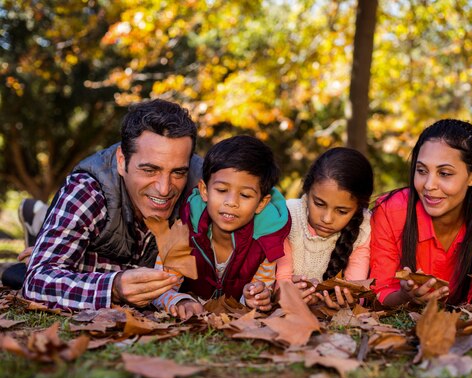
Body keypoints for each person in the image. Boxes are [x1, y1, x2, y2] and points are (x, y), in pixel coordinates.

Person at [21, 99, 203, 310]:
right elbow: (37, 281)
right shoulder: (87, 189)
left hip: (101, 249)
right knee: (29, 267)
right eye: (149, 170)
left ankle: (42, 230)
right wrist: (114, 287)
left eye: (178, 172)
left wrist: (88, 265)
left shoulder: (204, 191)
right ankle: (42, 225)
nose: (164, 189)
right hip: (88, 220)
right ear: (121, 160)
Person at [370, 119, 472, 307]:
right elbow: (380, 288)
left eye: (445, 173)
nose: (429, 185)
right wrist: (404, 296)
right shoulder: (391, 211)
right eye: (422, 170)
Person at [152, 135, 291, 319]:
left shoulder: (265, 242)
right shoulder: (183, 232)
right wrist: (181, 301)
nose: (231, 202)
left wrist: (253, 298)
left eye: (245, 195)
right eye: (222, 190)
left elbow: (260, 291)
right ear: (204, 190)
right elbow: (158, 288)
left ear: (261, 203)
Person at [276, 147, 373, 309]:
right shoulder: (288, 216)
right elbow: (281, 279)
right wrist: (288, 292)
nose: (327, 219)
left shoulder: (362, 229)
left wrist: (344, 299)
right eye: (319, 204)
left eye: (342, 211)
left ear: (358, 207)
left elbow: (357, 289)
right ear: (307, 189)